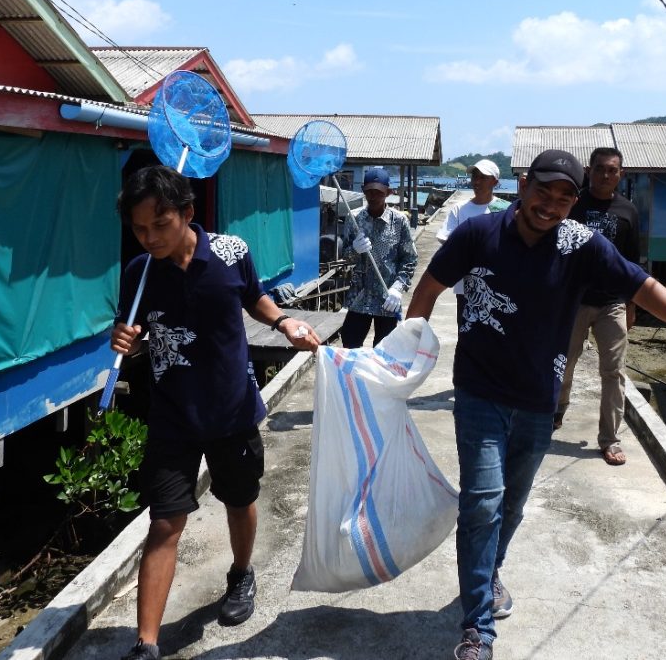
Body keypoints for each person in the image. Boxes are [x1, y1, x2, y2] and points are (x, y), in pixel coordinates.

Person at [405, 149, 666, 660]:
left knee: (512, 505)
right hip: (479, 392)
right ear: (522, 186)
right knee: (482, 500)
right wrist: (404, 350)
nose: (551, 205)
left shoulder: (578, 243)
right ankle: (477, 626)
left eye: (565, 197)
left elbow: (640, 284)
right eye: (544, 192)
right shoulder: (479, 235)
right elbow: (429, 289)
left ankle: (489, 573)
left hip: (540, 398)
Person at [110, 165, 320, 660]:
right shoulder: (138, 274)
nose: (150, 238)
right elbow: (135, 338)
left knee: (239, 497)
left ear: (186, 213)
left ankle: (241, 573)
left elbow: (256, 299)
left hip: (231, 409)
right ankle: (146, 644)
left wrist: (286, 321)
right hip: (171, 415)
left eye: (160, 225)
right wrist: (123, 342)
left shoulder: (231, 253)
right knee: (165, 523)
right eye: (139, 229)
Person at [554, 147, 640, 467]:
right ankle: (556, 411)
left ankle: (610, 438)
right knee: (563, 363)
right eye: (600, 169)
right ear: (589, 171)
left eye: (612, 170)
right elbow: (556, 251)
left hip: (612, 304)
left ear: (621, 173)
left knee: (614, 372)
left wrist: (632, 305)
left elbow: (634, 262)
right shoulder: (575, 204)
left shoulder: (628, 211)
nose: (606, 175)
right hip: (574, 301)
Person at [339, 166, 418, 348]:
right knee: (350, 343)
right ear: (363, 191)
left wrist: (398, 288)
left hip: (387, 297)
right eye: (369, 192)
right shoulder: (354, 219)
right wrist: (354, 250)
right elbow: (346, 258)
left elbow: (409, 259)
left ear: (388, 192)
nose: (373, 197)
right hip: (359, 297)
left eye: (379, 193)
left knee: (385, 350)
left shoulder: (399, 221)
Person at [437, 159, 508, 326]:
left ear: (495, 182)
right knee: (466, 330)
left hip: (496, 286)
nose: (476, 181)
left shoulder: (504, 209)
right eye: (475, 176)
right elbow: (444, 237)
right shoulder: (459, 208)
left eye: (483, 177)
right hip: (465, 285)